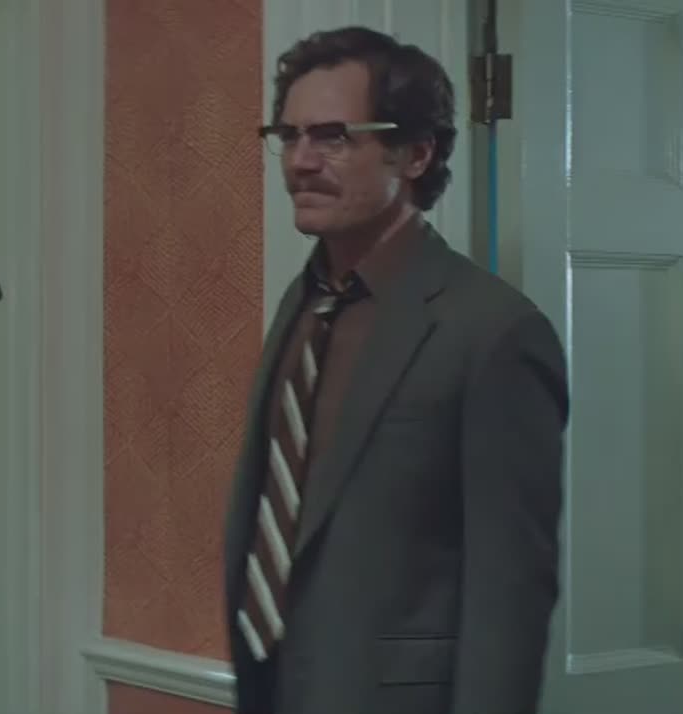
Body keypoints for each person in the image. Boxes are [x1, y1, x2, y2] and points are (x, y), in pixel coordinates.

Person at [222, 26, 569, 714]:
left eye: (332, 137)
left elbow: (510, 597)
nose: (301, 161)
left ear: (415, 153)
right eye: (288, 136)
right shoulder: (305, 300)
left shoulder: (493, 332)